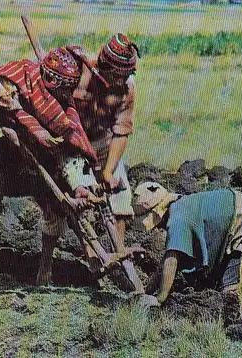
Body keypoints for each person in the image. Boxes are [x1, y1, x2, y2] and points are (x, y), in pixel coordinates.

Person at [0, 46, 133, 296]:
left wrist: (80, 187)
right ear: (50, 80)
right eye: (64, 89)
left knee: (60, 200)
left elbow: (66, 151)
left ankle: (74, 266)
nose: (69, 95)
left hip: (27, 162)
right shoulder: (3, 87)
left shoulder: (59, 107)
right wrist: (1, 131)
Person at [61, 34, 144, 293]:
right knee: (82, 200)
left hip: (104, 145)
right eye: (117, 76)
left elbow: (121, 131)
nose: (121, 82)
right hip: (73, 146)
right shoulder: (80, 74)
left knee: (119, 196)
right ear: (104, 67)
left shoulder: (127, 89)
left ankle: (119, 258)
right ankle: (93, 258)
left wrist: (108, 170)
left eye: (125, 76)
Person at [133, 182, 242, 323]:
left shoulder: (177, 217)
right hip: (240, 224)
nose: (158, 229)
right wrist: (147, 291)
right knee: (228, 293)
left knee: (241, 295)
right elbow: (167, 261)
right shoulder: (182, 206)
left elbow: (171, 260)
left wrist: (159, 299)